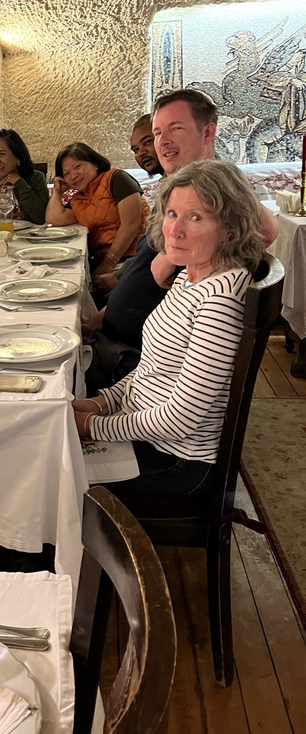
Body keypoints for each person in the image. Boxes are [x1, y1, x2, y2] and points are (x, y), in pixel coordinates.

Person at [72, 160, 266, 496]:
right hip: (149, 434)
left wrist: (94, 426)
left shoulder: (219, 301)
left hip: (178, 461)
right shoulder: (192, 273)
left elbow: (182, 418)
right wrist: (102, 403)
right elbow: (152, 368)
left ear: (230, 228)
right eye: (172, 214)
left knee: (48, 482)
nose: (174, 230)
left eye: (195, 217)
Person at [82, 88, 278, 391]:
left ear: (207, 132)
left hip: (142, 367)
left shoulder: (214, 191)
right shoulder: (179, 190)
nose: (163, 141)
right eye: (158, 132)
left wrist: (172, 258)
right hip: (119, 346)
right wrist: (98, 320)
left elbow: (267, 230)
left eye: (176, 129)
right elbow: (141, 278)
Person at [45, 142, 149, 291]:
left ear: (95, 164)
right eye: (66, 173)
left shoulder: (116, 178)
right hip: (104, 262)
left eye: (77, 166)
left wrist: (108, 264)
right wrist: (57, 193)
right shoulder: (78, 199)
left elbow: (131, 224)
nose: (73, 175)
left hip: (134, 259)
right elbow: (54, 219)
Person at [0, 130, 49, 224]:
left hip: (28, 237)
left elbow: (40, 218)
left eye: (2, 154)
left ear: (18, 157)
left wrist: (20, 184)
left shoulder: (36, 178)